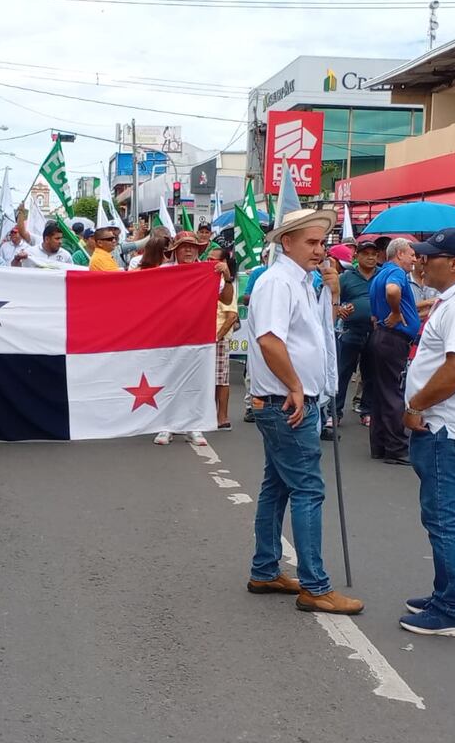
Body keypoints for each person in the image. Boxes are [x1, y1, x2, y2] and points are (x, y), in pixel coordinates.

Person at [245, 208, 362, 615]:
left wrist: (330, 294)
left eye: (321, 242)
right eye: (311, 242)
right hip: (286, 401)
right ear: (286, 242)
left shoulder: (301, 282)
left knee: (277, 487)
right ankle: (315, 585)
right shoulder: (278, 282)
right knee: (308, 490)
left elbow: (315, 336)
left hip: (291, 400)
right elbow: (270, 341)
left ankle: (265, 568)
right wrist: (296, 386)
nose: (319, 250)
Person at [398, 228, 455, 637]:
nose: (421, 261)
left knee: (446, 518)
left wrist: (417, 405)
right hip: (450, 424)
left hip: (445, 425)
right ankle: (451, 597)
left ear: (454, 263)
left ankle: (453, 609)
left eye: (429, 256)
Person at [152, 231, 232, 446]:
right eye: (183, 246)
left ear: (199, 249)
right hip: (167, 336)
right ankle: (165, 425)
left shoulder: (209, 271)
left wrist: (227, 275)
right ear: (175, 250)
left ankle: (193, 427)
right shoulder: (162, 272)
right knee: (167, 379)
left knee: (196, 381)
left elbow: (227, 298)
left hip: (198, 336)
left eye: (192, 246)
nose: (188, 250)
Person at [367, 237, 420, 465]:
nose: (414, 260)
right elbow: (392, 291)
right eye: (411, 254)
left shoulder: (379, 274)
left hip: (381, 337)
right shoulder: (396, 274)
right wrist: (397, 312)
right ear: (399, 254)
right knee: (393, 393)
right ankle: (396, 447)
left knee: (380, 393)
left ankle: (380, 444)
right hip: (393, 338)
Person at [332, 237, 378, 431]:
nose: (370, 258)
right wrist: (340, 308)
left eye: (374, 254)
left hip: (375, 331)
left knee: (371, 372)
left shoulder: (383, 275)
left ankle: (367, 410)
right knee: (342, 372)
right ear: (357, 256)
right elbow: (332, 297)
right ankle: (335, 413)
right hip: (351, 330)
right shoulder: (346, 277)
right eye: (366, 254)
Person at [213, 246, 239, 427]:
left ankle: (222, 417)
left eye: (214, 260)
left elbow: (231, 316)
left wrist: (217, 337)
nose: (210, 263)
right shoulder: (205, 280)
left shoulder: (226, 284)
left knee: (221, 379)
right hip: (200, 339)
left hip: (218, 339)